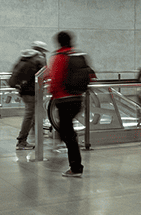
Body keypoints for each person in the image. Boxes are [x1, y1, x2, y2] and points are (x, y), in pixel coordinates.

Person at [48, 31, 93, 177]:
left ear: (58, 42)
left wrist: (52, 93)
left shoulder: (59, 57)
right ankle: (64, 142)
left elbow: (55, 78)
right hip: (78, 98)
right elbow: (90, 75)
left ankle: (75, 168)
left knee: (68, 134)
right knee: (67, 130)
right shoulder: (78, 55)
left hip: (63, 99)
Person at [9, 41, 48, 150]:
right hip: (32, 91)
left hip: (24, 90)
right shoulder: (38, 59)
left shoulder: (24, 57)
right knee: (29, 115)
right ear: (41, 49)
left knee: (32, 114)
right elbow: (44, 73)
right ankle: (22, 141)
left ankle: (35, 132)